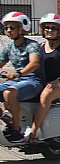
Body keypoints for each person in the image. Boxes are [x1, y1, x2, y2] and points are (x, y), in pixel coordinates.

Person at [24, 13, 60, 143]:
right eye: (47, 27)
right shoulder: (39, 47)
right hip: (43, 82)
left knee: (45, 95)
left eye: (53, 28)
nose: (49, 30)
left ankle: (33, 133)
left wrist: (56, 81)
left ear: (59, 30)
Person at [0, 12, 44, 142]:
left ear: (22, 28)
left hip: (34, 81)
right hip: (18, 81)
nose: (8, 30)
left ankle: (16, 130)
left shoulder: (32, 45)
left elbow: (34, 63)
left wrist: (18, 73)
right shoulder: (9, 47)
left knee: (9, 93)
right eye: (6, 27)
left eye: (12, 27)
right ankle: (8, 120)